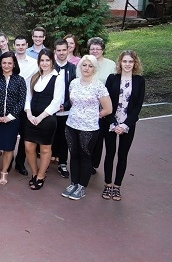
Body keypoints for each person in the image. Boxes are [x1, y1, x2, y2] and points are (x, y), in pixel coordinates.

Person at [61, 55, 112, 200]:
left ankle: (82, 186)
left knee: (85, 156)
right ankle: (74, 183)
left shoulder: (98, 86)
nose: (87, 68)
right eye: (84, 65)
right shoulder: (74, 83)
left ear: (94, 69)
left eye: (90, 66)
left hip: (89, 128)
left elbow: (108, 109)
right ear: (80, 66)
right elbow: (73, 102)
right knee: (74, 155)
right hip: (71, 124)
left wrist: (94, 115)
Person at [102, 51, 145, 201]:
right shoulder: (112, 78)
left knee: (122, 155)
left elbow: (138, 105)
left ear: (135, 63)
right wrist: (113, 123)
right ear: (120, 62)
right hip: (111, 123)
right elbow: (105, 101)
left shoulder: (139, 80)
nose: (127, 64)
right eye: (124, 61)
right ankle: (108, 184)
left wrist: (125, 124)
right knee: (110, 154)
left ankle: (117, 186)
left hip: (128, 124)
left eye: (130, 62)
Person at [24, 49, 65, 190]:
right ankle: (34, 173)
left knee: (45, 149)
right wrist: (29, 114)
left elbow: (56, 102)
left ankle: (41, 175)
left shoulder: (57, 77)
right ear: (39, 62)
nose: (45, 63)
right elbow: (28, 97)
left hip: (47, 119)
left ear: (52, 61)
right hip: (31, 118)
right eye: (42, 60)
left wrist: (40, 117)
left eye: (48, 60)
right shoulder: (35, 77)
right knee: (29, 147)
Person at [0, 52, 26, 185]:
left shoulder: (20, 80)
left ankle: (4, 171)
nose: (7, 65)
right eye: (4, 63)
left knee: (9, 148)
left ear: (14, 64)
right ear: (0, 64)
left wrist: (10, 117)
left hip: (12, 120)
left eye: (10, 63)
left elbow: (21, 101)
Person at [82, 36, 116, 174]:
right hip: (86, 107)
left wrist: (105, 108)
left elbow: (114, 85)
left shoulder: (110, 65)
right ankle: (84, 161)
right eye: (92, 48)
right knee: (86, 137)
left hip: (103, 108)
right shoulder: (84, 63)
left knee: (98, 137)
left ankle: (92, 164)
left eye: (98, 48)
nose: (95, 51)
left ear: (102, 50)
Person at [11, 35, 38, 176]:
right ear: (14, 46)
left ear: (27, 45)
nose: (20, 47)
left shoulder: (34, 63)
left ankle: (20, 163)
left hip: (27, 104)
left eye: (23, 44)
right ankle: (8, 160)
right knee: (10, 133)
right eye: (18, 45)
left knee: (25, 135)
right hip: (11, 103)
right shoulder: (10, 61)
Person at [53, 39, 77, 179]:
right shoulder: (49, 67)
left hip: (67, 110)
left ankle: (62, 163)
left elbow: (75, 90)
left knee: (64, 138)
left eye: (64, 50)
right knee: (50, 136)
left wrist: (66, 105)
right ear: (55, 51)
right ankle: (47, 160)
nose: (61, 53)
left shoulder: (73, 69)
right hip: (51, 110)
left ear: (68, 50)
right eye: (59, 50)